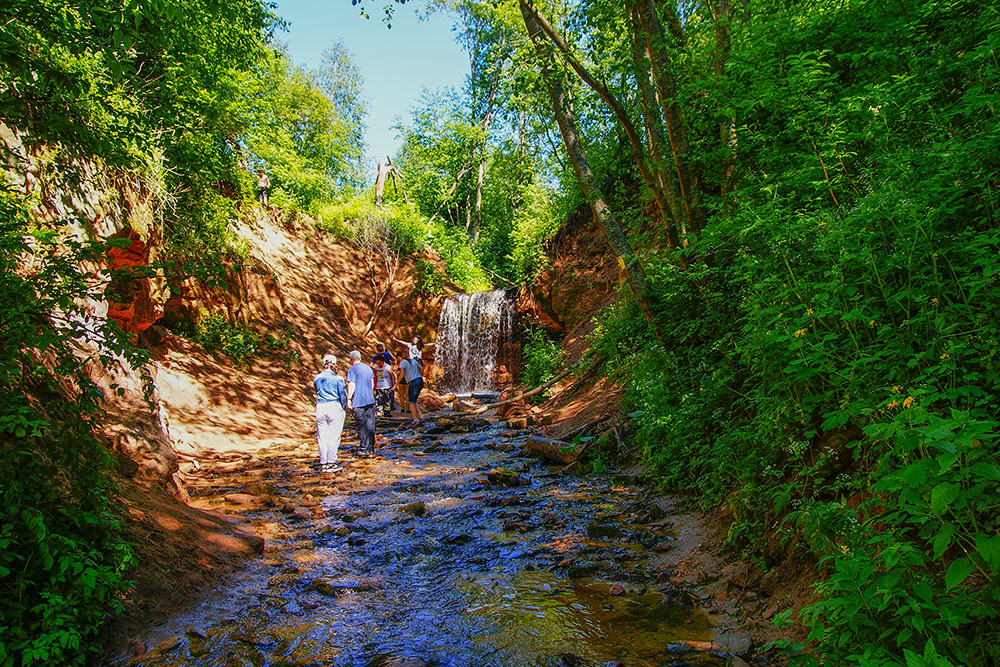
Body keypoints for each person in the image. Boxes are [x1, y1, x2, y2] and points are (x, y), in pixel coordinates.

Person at [313, 354, 347, 473]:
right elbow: (342, 395)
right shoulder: (338, 379)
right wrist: (344, 406)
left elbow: (316, 390)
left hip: (321, 406)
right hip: (334, 405)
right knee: (334, 436)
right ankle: (331, 462)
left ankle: (323, 462)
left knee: (322, 436)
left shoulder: (317, 378)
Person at [345, 350, 376, 457]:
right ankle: (371, 447)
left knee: (361, 425)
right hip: (370, 400)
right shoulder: (368, 368)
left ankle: (364, 448)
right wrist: (370, 394)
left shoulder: (352, 369)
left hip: (359, 401)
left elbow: (352, 384)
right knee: (370, 424)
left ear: (351, 359)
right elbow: (372, 384)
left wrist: (349, 398)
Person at [398, 346, 424, 425]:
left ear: (399, 357)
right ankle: (420, 417)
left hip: (413, 381)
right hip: (419, 380)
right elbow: (421, 368)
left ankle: (415, 419)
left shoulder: (402, 362)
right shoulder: (413, 360)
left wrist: (396, 384)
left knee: (411, 401)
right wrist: (420, 376)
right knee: (414, 399)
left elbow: (402, 374)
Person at [371, 343, 396, 412]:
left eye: (379, 363)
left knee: (387, 398)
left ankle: (388, 410)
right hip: (379, 385)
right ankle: (382, 410)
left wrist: (394, 385)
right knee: (379, 399)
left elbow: (392, 375)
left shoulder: (386, 367)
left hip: (386, 384)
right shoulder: (386, 354)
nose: (378, 364)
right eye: (377, 363)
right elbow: (394, 360)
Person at [395, 348, 410, 415]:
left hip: (402, 381)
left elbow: (400, 374)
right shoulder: (407, 363)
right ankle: (407, 408)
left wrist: (396, 382)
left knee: (402, 396)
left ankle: (403, 408)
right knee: (406, 395)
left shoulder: (402, 364)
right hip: (407, 381)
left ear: (399, 357)